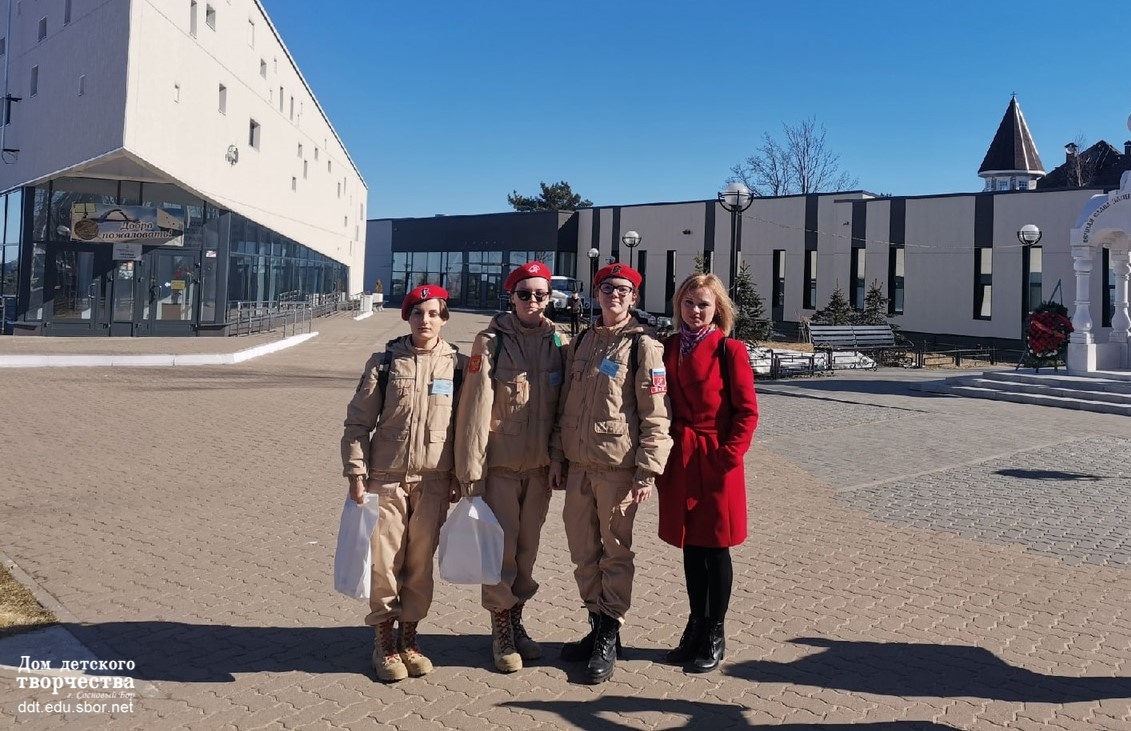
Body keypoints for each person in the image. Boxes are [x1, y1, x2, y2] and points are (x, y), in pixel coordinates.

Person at [340, 285, 467, 683]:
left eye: (432, 313)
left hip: (434, 482)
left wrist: (463, 477)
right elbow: (358, 423)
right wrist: (356, 473)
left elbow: (467, 428)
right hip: (387, 479)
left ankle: (409, 639)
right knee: (384, 563)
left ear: (444, 319)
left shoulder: (459, 366)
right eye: (417, 313)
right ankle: (384, 642)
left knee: (419, 564)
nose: (424, 320)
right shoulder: (385, 362)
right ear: (407, 317)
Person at [553, 262, 673, 684]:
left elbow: (656, 414)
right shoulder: (583, 340)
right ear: (597, 293)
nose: (614, 294)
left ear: (634, 298)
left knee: (615, 553)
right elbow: (565, 403)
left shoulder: (644, 348)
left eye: (623, 289)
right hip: (578, 466)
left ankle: (609, 631)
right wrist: (557, 456)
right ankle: (596, 623)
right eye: (607, 287)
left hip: (618, 470)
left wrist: (647, 471)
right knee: (583, 552)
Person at [454, 261, 569, 673]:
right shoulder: (491, 342)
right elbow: (473, 409)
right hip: (500, 468)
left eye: (540, 294)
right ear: (511, 297)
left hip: (539, 470)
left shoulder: (559, 341)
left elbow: (564, 409)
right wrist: (470, 471)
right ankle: (500, 629)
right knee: (500, 552)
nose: (533, 301)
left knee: (527, 552)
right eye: (525, 294)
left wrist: (558, 457)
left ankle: (517, 621)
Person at [656, 273, 758, 674]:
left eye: (703, 304)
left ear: (718, 309)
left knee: (715, 549)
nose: (695, 311)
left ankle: (715, 631)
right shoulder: (668, 348)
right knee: (691, 547)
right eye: (688, 303)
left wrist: (727, 457)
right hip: (681, 458)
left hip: (715, 461)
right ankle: (694, 626)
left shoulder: (729, 350)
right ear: (678, 305)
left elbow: (747, 412)